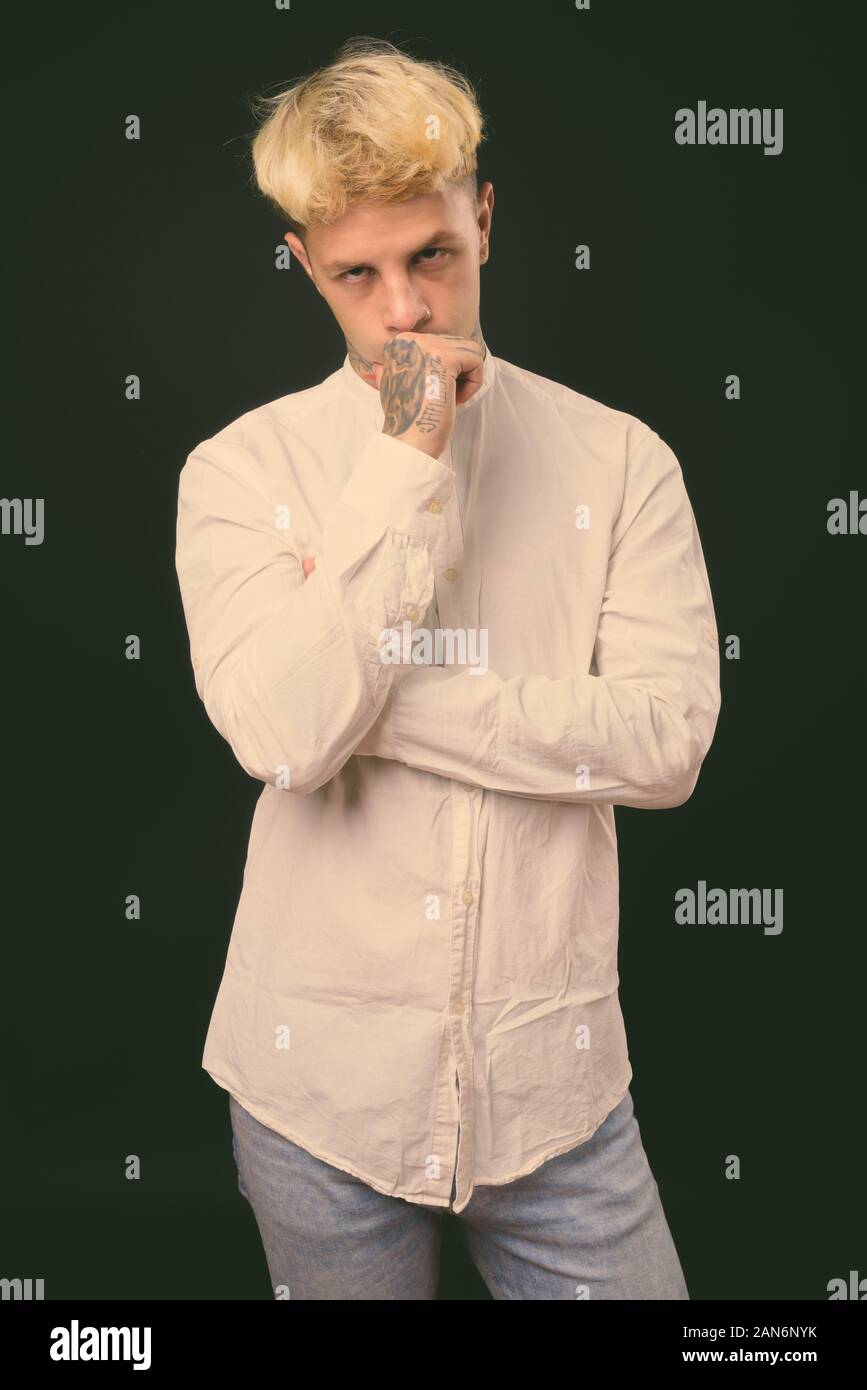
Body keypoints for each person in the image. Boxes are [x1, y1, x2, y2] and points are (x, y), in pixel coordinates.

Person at [175, 36, 721, 1300]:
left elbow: (665, 741)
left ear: (483, 219)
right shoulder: (241, 472)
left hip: (556, 1095)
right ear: (305, 264)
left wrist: (368, 699)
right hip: (319, 1090)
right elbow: (278, 733)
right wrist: (406, 458)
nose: (407, 309)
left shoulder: (620, 461)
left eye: (433, 256)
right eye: (357, 274)